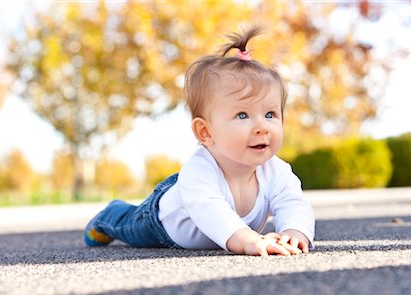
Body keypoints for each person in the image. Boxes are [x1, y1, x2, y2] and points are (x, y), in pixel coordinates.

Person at [84, 26, 315, 256]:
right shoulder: (199, 171)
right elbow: (211, 211)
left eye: (270, 114)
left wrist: (295, 232)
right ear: (205, 132)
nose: (262, 127)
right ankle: (110, 215)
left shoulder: (277, 171)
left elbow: (292, 203)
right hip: (163, 223)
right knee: (129, 227)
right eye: (242, 115)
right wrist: (248, 240)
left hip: (216, 230)